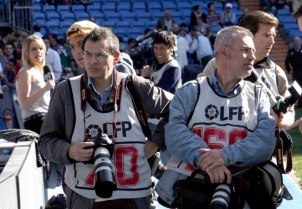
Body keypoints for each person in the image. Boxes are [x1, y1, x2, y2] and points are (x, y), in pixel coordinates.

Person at [38, 26, 173, 209]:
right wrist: (68, 151)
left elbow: (179, 109)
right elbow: (45, 141)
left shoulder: (135, 86)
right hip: (86, 197)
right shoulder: (66, 91)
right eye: (87, 54)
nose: (92, 61)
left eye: (100, 55)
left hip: (135, 196)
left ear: (115, 57)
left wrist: (156, 142)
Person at [156, 25, 276, 208]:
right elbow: (174, 133)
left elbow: (266, 140)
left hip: (242, 195)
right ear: (224, 52)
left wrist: (224, 157)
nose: (253, 56)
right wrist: (208, 162)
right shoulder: (190, 91)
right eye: (245, 50)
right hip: (193, 193)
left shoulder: (259, 94)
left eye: (253, 51)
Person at [200, 11, 295, 129]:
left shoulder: (276, 72)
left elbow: (290, 111)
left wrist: (280, 121)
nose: (272, 41)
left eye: (273, 35)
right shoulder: (217, 64)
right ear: (247, 37)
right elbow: (199, 96)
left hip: (264, 145)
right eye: (266, 35)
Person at [16, 35, 55, 134]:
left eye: (41, 48)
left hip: (48, 118)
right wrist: (45, 88)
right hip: (36, 122)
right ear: (26, 52)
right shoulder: (26, 72)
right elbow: (24, 104)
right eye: (34, 49)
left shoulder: (44, 70)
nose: (39, 52)